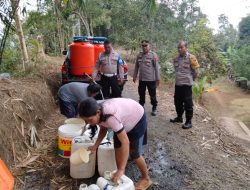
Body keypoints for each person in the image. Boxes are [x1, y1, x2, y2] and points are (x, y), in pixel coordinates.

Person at [78, 97, 152, 190]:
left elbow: (125, 142)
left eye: (90, 120)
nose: (89, 123)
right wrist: (95, 146)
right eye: (86, 121)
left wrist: (121, 169)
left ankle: (146, 178)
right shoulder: (97, 111)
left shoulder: (111, 117)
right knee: (117, 146)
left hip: (136, 118)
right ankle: (120, 173)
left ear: (98, 113)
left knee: (134, 153)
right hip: (123, 119)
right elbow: (103, 128)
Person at [170, 41, 200, 129]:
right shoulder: (176, 59)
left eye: (181, 47)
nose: (179, 49)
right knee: (177, 102)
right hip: (178, 84)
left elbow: (196, 72)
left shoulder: (191, 57)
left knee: (188, 103)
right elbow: (176, 70)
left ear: (186, 47)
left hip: (187, 84)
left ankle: (189, 121)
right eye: (178, 48)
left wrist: (191, 79)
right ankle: (179, 117)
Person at [133, 40, 160, 116]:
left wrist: (158, 79)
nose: (144, 47)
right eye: (143, 46)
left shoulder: (153, 55)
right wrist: (135, 76)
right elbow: (136, 67)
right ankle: (141, 107)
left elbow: (157, 68)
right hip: (142, 79)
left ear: (149, 46)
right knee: (141, 93)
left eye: (146, 45)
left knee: (152, 94)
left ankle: (154, 107)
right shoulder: (139, 55)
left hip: (151, 79)